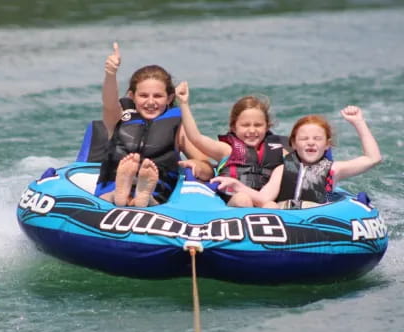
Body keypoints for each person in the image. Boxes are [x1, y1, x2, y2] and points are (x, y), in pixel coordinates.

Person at [95, 43, 213, 207]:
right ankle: (121, 192)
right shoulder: (118, 118)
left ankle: (142, 196)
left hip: (156, 192)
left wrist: (198, 166)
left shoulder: (178, 126)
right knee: (111, 196)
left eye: (158, 96)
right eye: (143, 95)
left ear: (170, 98)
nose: (150, 102)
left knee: (148, 199)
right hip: (112, 186)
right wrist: (110, 74)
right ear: (132, 96)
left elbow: (208, 168)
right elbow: (109, 103)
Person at [211, 105, 382, 209]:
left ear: (327, 144)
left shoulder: (334, 169)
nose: (310, 143)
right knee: (270, 206)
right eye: (304, 139)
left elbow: (373, 158)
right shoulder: (282, 169)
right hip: (285, 220)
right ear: (293, 143)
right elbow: (263, 198)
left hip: (318, 218)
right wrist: (237, 185)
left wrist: (359, 122)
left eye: (317, 139)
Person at [175, 81, 288, 207]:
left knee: (271, 205)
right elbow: (196, 138)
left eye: (258, 125)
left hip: (263, 201)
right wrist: (183, 103)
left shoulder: (279, 152)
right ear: (234, 127)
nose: (252, 130)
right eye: (245, 125)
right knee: (243, 199)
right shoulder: (227, 150)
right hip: (232, 203)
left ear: (267, 127)